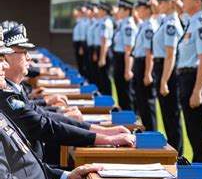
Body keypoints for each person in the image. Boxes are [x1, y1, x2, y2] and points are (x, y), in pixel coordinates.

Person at [0, 24, 136, 162]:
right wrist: (106, 138)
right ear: (6, 58)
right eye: (23, 52)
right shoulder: (7, 95)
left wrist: (103, 131)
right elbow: (46, 126)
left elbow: (44, 115)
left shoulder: (14, 89)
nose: (29, 57)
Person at [175, 0, 202, 163]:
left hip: (196, 80)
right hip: (187, 79)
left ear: (198, 2)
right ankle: (199, 173)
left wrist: (197, 91)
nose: (183, 0)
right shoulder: (192, 22)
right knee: (193, 132)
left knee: (199, 135)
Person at [151, 0, 184, 155]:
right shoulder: (164, 21)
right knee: (167, 115)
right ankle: (173, 154)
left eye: (162, 1)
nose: (159, 4)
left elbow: (170, 55)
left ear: (170, 4)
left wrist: (164, 80)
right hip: (161, 67)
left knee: (172, 117)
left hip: (168, 70)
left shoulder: (171, 24)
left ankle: (177, 154)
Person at [132, 0, 159, 131]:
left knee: (147, 105)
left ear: (148, 9)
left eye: (140, 8)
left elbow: (150, 52)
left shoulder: (149, 26)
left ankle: (151, 134)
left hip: (145, 65)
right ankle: (147, 132)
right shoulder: (144, 25)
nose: (138, 10)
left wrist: (148, 73)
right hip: (139, 63)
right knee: (141, 103)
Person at [112, 0, 138, 111]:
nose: (118, 11)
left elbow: (129, 49)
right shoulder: (122, 24)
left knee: (126, 93)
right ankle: (124, 118)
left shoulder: (128, 25)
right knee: (120, 91)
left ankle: (130, 121)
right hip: (119, 58)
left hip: (124, 60)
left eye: (121, 9)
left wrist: (128, 69)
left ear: (127, 10)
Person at [97, 1, 114, 95]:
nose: (98, 11)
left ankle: (107, 98)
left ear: (104, 11)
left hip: (106, 51)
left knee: (105, 77)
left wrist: (102, 58)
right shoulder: (104, 21)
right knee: (103, 77)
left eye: (100, 9)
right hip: (105, 50)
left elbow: (104, 41)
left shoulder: (106, 23)